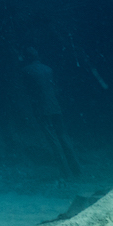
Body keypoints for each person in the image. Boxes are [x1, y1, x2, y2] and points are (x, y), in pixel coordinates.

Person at [20, 47, 81, 178]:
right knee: (63, 136)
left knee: (53, 140)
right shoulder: (48, 69)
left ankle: (66, 172)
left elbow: (28, 92)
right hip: (55, 107)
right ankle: (77, 168)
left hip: (42, 109)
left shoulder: (26, 71)